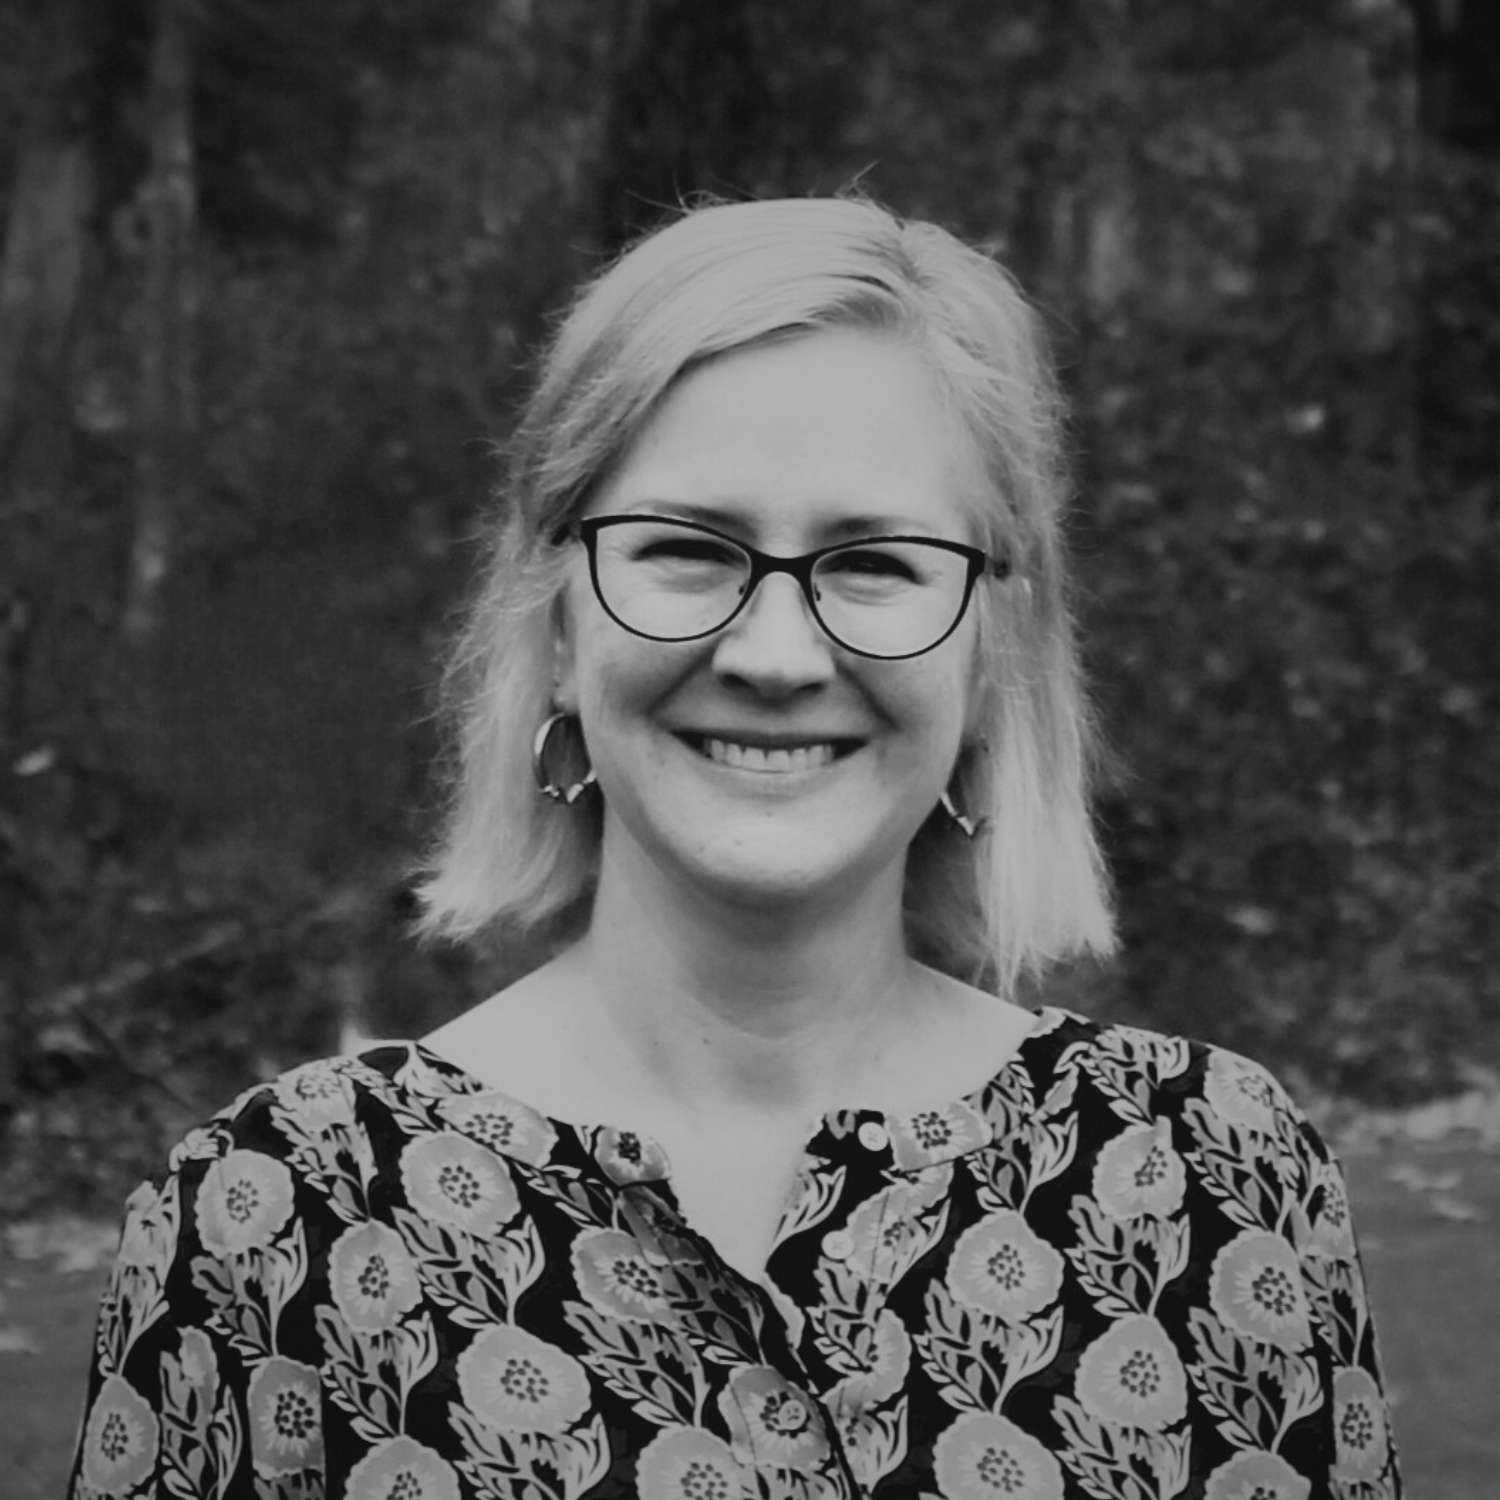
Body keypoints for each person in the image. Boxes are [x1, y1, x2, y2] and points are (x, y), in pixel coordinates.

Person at [69, 196, 1400, 1500]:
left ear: (995, 651)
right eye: (687, 551)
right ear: (553, 624)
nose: (773, 655)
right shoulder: (279, 1219)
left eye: (874, 561)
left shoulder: (1214, 1180)